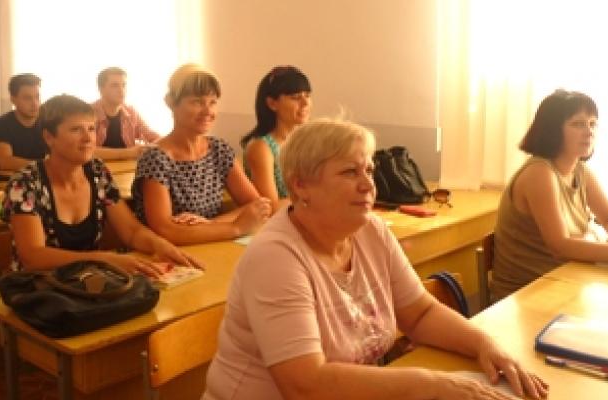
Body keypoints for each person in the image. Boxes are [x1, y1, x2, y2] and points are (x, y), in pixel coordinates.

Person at [203, 119, 548, 400]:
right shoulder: (275, 258)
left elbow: (420, 314)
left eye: (369, 170)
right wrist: (428, 384)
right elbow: (306, 386)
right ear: (301, 185)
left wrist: (486, 345)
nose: (368, 185)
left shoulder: (371, 230)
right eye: (350, 172)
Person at [0, 94, 200, 276]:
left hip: (88, 282)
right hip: (38, 289)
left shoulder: (97, 172)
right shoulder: (25, 183)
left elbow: (132, 231)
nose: (88, 138)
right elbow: (33, 257)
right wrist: (102, 259)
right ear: (49, 137)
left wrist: (160, 245)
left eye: (91, 129)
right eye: (76, 130)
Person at [491, 89, 608, 301]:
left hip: (567, 280)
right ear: (552, 131)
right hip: (527, 295)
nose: (589, 132)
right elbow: (561, 246)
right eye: (578, 124)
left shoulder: (580, 171)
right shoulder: (539, 173)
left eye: (593, 124)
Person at [131, 64, 271, 245]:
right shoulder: (155, 158)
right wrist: (236, 227)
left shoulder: (219, 150)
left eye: (212, 102)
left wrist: (209, 224)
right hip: (170, 253)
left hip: (212, 244)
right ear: (171, 103)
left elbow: (258, 206)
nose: (208, 111)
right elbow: (165, 230)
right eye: (197, 102)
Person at [241, 65, 311, 212]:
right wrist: (314, 197)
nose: (305, 103)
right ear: (272, 103)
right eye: (296, 97)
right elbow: (271, 207)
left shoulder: (307, 141)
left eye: (307, 95)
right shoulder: (261, 147)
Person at [91, 67, 160, 160]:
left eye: (124, 85)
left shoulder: (131, 112)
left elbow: (153, 137)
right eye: (115, 85)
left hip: (127, 167)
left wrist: (153, 146)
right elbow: (86, 151)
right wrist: (129, 153)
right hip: (97, 168)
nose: (121, 90)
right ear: (101, 89)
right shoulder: (87, 113)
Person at [0, 73, 46, 171]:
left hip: (37, 177)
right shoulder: (1, 124)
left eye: (37, 97)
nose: (35, 103)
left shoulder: (46, 122)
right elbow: (5, 162)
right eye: (27, 98)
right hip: (7, 179)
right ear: (13, 99)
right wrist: (45, 166)